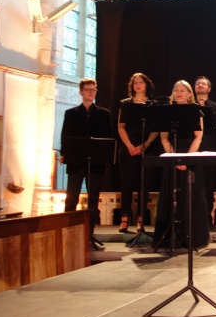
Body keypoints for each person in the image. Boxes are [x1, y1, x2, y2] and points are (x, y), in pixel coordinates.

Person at [155, 80, 209, 248]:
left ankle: (192, 237)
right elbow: (164, 138)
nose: (179, 92)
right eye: (176, 90)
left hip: (190, 157)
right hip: (171, 158)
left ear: (188, 94)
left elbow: (198, 137)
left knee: (189, 196)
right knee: (171, 195)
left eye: (182, 90)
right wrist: (173, 158)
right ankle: (170, 237)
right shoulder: (166, 112)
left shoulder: (196, 111)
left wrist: (186, 159)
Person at [60, 78, 114, 237]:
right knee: (71, 199)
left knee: (93, 200)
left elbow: (108, 139)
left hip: (95, 162)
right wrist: (65, 154)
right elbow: (65, 136)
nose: (91, 92)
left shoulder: (104, 114)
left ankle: (89, 234)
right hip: (76, 161)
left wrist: (105, 156)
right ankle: (68, 231)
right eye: (88, 89)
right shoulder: (70, 114)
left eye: (93, 89)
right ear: (81, 92)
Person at [116, 72, 159, 232]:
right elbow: (121, 127)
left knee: (145, 184)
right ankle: (125, 217)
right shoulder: (125, 103)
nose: (138, 85)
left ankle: (141, 218)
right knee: (127, 183)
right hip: (128, 148)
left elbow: (156, 128)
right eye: (135, 83)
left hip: (147, 148)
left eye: (141, 82)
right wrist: (129, 146)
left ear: (146, 84)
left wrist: (145, 144)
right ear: (132, 86)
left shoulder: (153, 105)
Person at [194, 76, 216, 226]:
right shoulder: (189, 106)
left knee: (208, 184)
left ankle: (207, 218)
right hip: (191, 148)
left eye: (203, 84)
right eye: (198, 83)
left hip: (210, 147)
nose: (200, 85)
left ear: (209, 89)